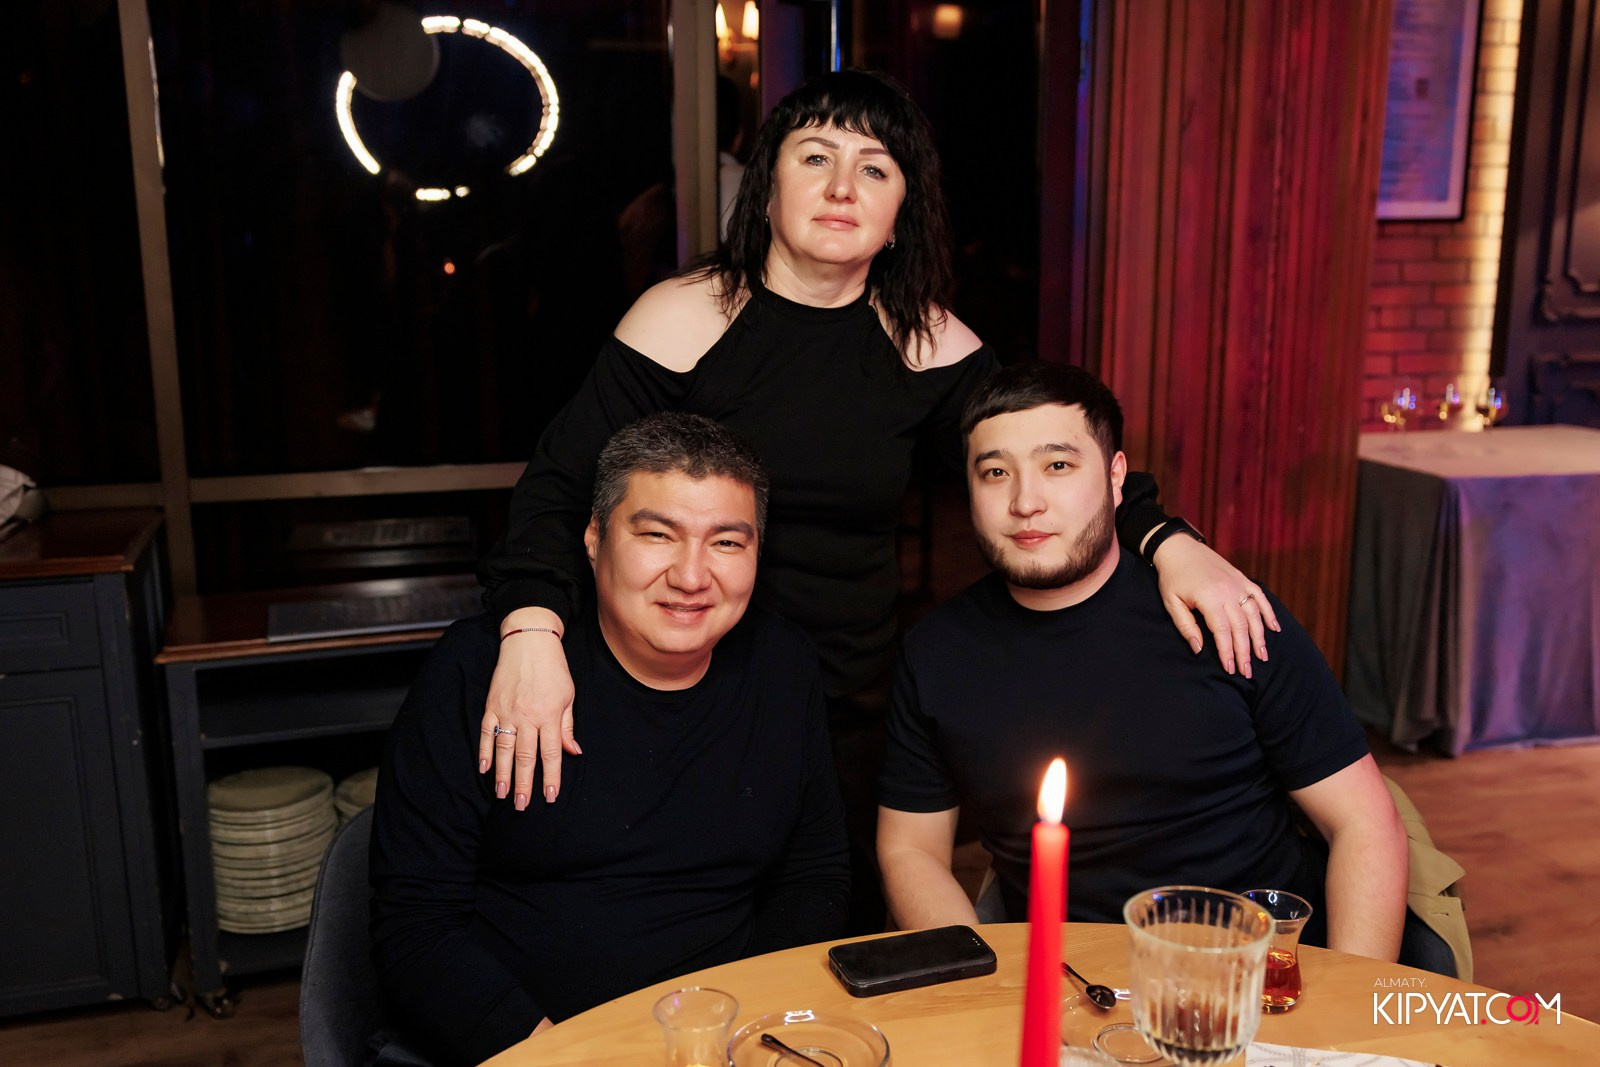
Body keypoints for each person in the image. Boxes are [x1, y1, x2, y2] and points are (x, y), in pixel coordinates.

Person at [475, 69, 1276, 930]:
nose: (841, 188)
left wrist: (1170, 540)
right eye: (816, 157)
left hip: (847, 701)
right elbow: (557, 489)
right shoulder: (682, 319)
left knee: (834, 933)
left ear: (901, 211)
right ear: (768, 184)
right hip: (691, 681)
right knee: (680, 922)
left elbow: (1053, 464)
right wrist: (531, 632)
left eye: (874, 168)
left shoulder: (930, 347)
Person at [876, 363, 1408, 960]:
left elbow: (1364, 823)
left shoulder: (1223, 611)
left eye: (1058, 466)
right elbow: (910, 848)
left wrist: (1353, 1002)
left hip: (1258, 970)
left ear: (1115, 477)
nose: (1025, 502)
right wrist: (981, 979)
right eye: (996, 473)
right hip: (1067, 982)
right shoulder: (937, 652)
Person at [371, 413, 849, 1067]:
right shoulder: (482, 670)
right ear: (594, 539)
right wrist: (560, 1055)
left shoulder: (781, 665)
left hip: (724, 1042)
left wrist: (750, 1031)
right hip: (530, 1046)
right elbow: (415, 927)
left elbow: (814, 878)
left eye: (726, 542)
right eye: (657, 534)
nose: (691, 575)